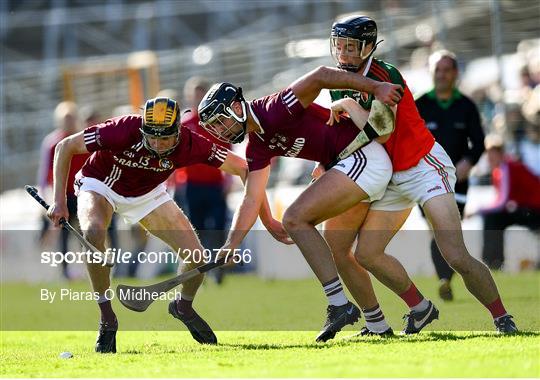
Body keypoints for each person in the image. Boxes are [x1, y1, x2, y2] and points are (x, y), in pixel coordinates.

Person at [320, 14, 517, 333]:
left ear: (368, 47)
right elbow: (348, 134)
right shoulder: (335, 80)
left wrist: (346, 102)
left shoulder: (387, 74)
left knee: (455, 255)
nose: (343, 54)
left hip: (424, 166)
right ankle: (421, 308)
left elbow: (381, 130)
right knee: (368, 254)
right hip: (391, 177)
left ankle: (501, 316)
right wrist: (326, 160)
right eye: (338, 46)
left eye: (351, 47)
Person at [46, 96, 279, 353]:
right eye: (151, 136)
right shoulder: (123, 128)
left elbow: (246, 170)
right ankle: (107, 319)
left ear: (178, 132)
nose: (157, 144)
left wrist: (265, 219)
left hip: (147, 194)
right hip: (100, 183)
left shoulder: (191, 143)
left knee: (198, 258)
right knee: (93, 231)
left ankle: (183, 306)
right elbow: (65, 147)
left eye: (165, 138)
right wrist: (59, 201)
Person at [198, 67, 403, 341]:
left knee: (295, 219)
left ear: (236, 107)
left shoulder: (275, 108)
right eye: (214, 128)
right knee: (336, 248)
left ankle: (340, 305)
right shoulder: (256, 145)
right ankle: (380, 323)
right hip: (346, 165)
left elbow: (320, 76)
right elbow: (251, 196)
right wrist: (231, 244)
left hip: (364, 156)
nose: (220, 132)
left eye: (220, 122)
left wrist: (374, 87)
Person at [415, 50, 486, 301]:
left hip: (459, 181)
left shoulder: (466, 106)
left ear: (455, 73)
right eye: (437, 70)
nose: (442, 75)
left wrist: (469, 161)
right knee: (437, 228)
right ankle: (444, 278)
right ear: (431, 73)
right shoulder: (420, 104)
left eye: (446, 70)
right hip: (424, 180)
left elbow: (478, 143)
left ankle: (447, 277)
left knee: (451, 230)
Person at [180, 77, 232, 284]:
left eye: (202, 93)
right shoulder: (185, 124)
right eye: (195, 94)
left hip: (215, 184)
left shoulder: (217, 122)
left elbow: (228, 151)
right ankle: (200, 270)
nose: (198, 97)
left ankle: (218, 269)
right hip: (192, 185)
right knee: (196, 230)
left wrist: (228, 179)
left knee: (218, 227)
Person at [37, 101, 90, 280]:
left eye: (72, 118)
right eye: (66, 119)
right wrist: (47, 198)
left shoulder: (83, 140)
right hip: (63, 196)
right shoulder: (53, 143)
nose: (69, 122)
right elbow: (45, 173)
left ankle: (92, 270)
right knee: (64, 237)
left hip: (83, 195)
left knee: (88, 235)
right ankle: (65, 272)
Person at [475, 134, 540, 269]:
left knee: (493, 217)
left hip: (534, 208)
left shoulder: (507, 168)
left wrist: (478, 210)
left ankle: (493, 262)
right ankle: (493, 262)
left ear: (500, 153)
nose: (489, 157)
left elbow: (502, 202)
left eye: (492, 154)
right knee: (494, 218)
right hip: (523, 208)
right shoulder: (498, 170)